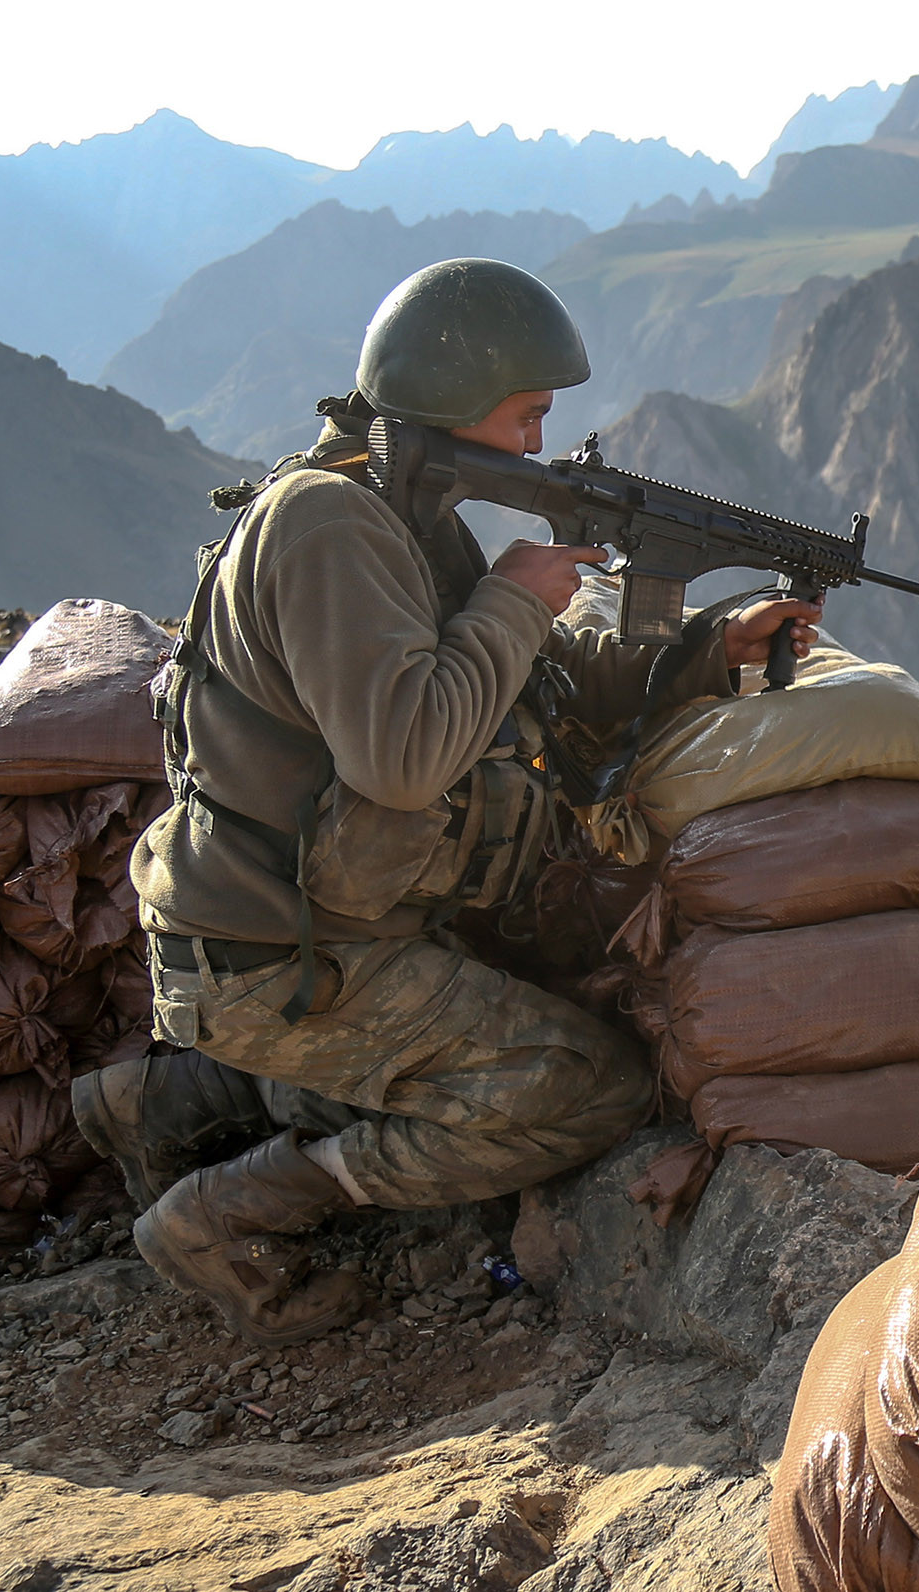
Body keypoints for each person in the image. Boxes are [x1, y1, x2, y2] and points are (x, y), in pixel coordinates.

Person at [79, 257, 820, 1348]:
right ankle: (236, 1209)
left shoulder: (398, 512)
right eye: (526, 416)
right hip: (283, 951)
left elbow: (527, 688)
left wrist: (713, 646)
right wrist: (515, 598)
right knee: (585, 1091)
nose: (535, 445)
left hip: (314, 928)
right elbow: (406, 759)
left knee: (442, 1053)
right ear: (447, 401)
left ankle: (162, 1105)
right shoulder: (330, 524)